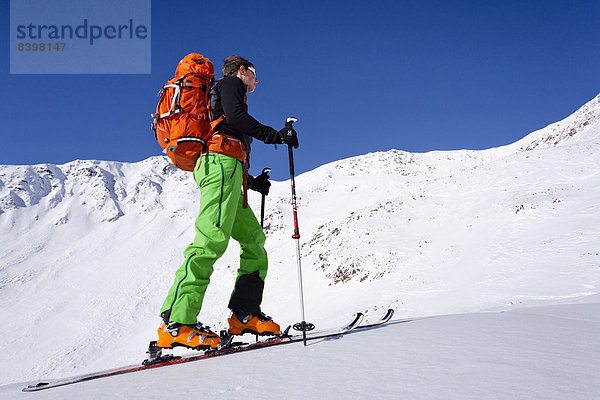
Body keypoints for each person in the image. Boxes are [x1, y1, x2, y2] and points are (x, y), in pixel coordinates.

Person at [156, 55, 299, 350]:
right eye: (254, 74)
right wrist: (277, 136)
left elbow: (226, 133)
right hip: (220, 166)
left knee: (254, 240)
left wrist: (252, 182)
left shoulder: (221, 93)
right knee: (210, 241)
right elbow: (235, 119)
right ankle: (177, 322)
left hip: (230, 169)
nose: (256, 81)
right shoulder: (231, 83)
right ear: (243, 71)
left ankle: (244, 314)